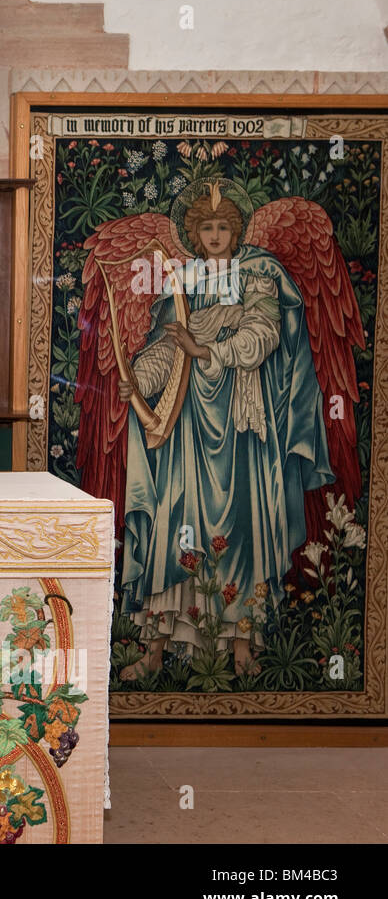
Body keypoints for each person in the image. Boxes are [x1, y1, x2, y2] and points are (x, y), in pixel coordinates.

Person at [118, 187, 333, 678]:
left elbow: (264, 334)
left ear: (236, 232)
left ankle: (242, 649)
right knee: (178, 520)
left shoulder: (258, 274)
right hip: (188, 420)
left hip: (240, 420)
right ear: (194, 234)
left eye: (223, 229)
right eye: (206, 230)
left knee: (240, 528)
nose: (215, 238)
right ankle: (156, 650)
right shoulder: (185, 280)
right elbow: (165, 346)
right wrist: (140, 379)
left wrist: (208, 352)